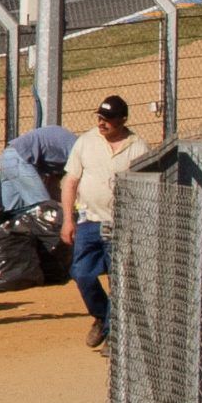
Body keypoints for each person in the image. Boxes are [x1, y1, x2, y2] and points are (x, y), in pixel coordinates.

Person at [60, 96, 144, 350]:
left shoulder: (138, 147)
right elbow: (70, 182)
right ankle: (103, 318)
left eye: (108, 119)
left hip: (122, 225)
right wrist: (68, 220)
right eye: (99, 117)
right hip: (89, 221)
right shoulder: (86, 142)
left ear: (123, 120)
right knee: (81, 273)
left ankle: (113, 334)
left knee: (119, 280)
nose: (102, 123)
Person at [0, 125, 77, 212]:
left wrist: (69, 203)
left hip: (6, 157)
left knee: (14, 212)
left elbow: (52, 188)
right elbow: (73, 184)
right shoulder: (77, 148)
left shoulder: (61, 157)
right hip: (20, 158)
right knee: (44, 209)